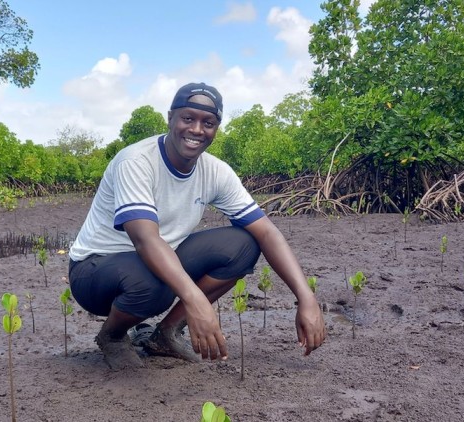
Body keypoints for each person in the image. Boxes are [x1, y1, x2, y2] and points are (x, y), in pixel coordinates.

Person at [68, 82, 326, 370]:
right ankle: (113, 337)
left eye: (209, 123)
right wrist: (195, 299)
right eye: (188, 118)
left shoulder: (216, 171)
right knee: (156, 279)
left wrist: (306, 297)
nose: (196, 130)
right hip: (94, 272)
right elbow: (145, 241)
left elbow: (266, 231)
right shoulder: (136, 161)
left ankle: (165, 334)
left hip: (156, 263)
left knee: (244, 245)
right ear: (170, 118)